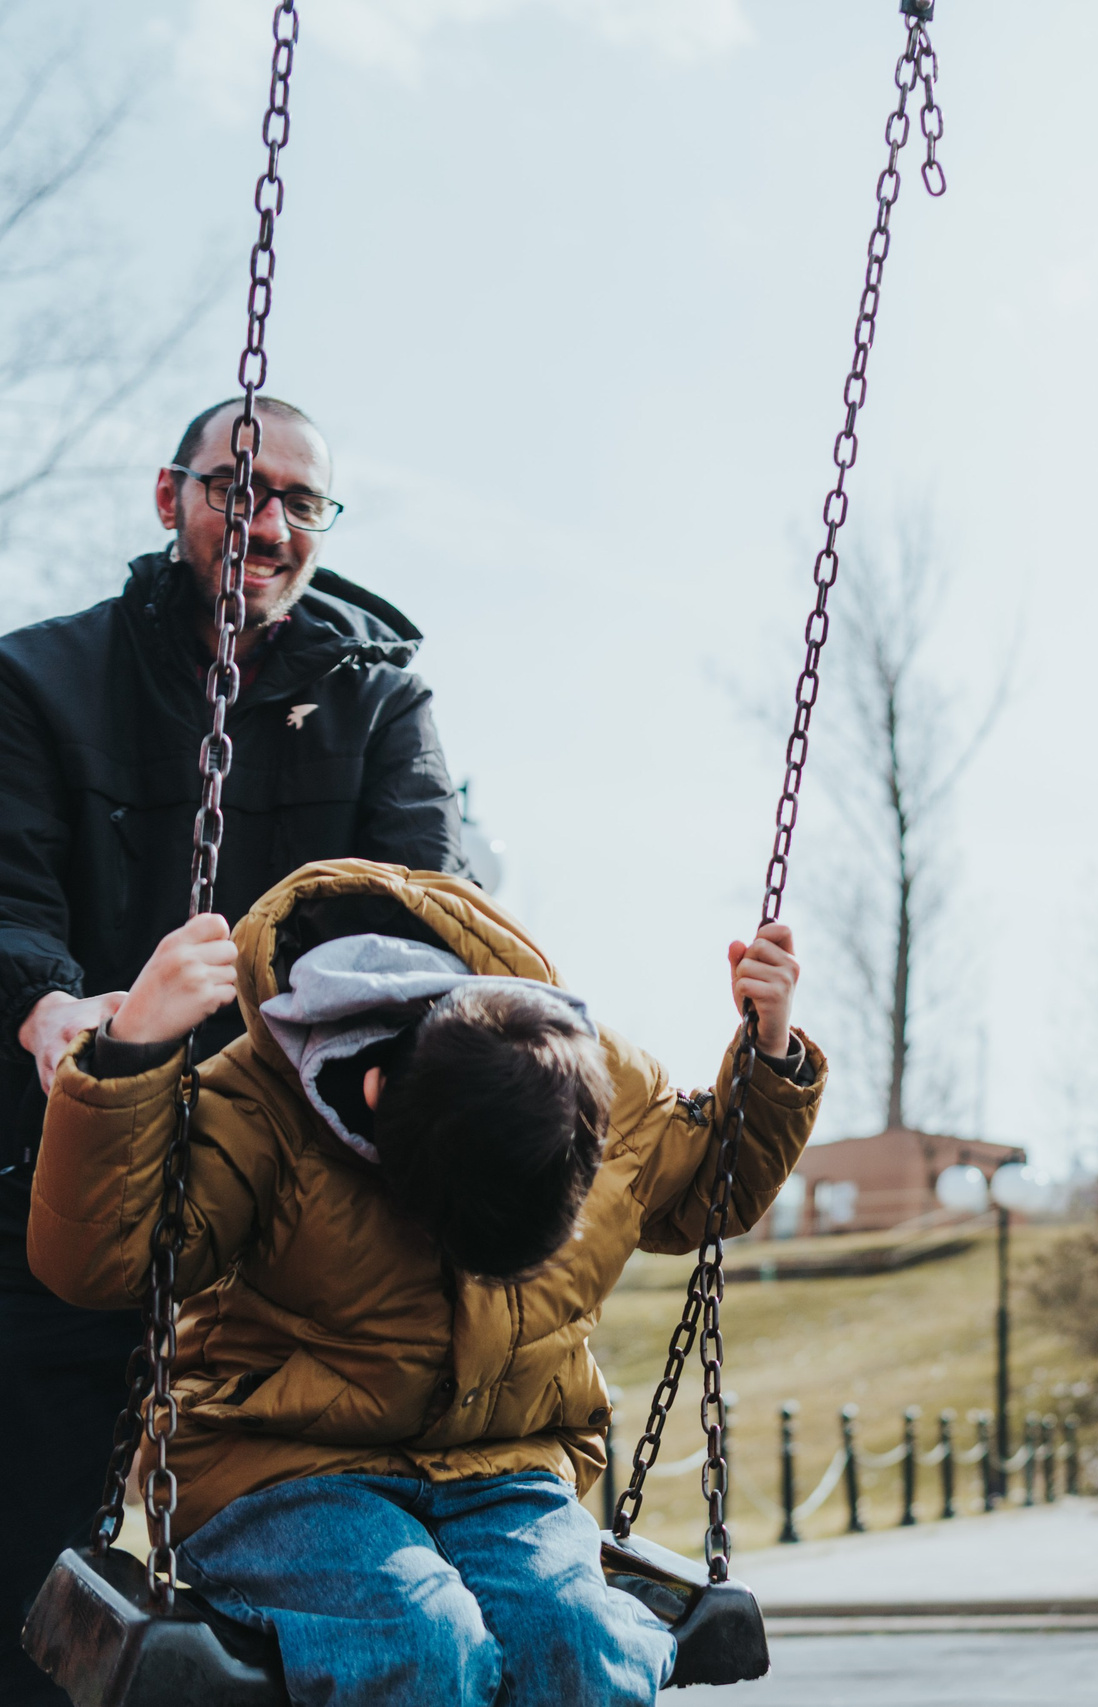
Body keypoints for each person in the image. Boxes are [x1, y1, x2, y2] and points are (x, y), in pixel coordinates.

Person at [26, 859, 825, 1707]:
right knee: (421, 1640)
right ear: (372, 1094)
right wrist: (132, 1052)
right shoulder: (263, 1104)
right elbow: (106, 1259)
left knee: (584, 1648)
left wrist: (767, 1051)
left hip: (504, 1468)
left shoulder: (592, 1081)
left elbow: (709, 1187)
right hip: (282, 1469)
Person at [0, 396, 469, 1706]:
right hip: (63, 1187)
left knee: (346, 1597)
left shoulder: (380, 699)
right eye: (236, 489)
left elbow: (432, 905)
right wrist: (48, 1005)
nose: (265, 526)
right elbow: (8, 890)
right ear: (171, 497)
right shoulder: (38, 679)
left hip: (291, 1210)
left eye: (299, 502)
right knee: (33, 1593)